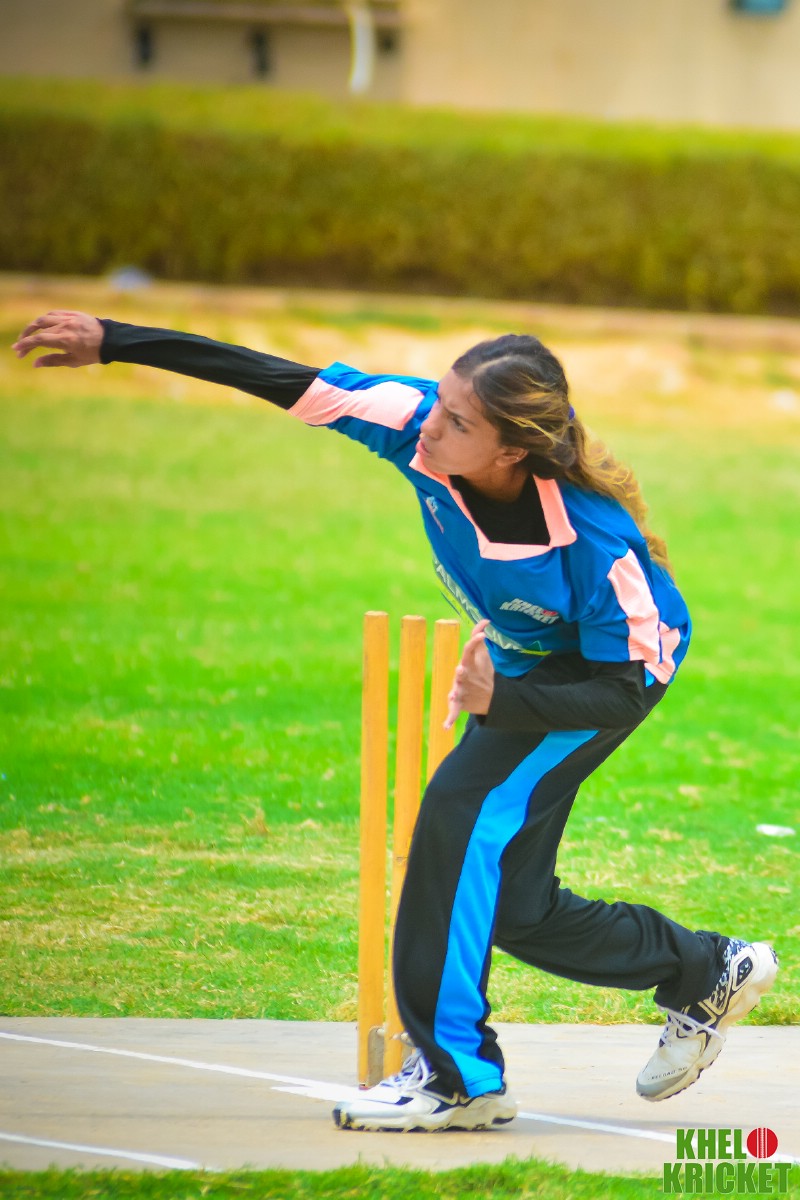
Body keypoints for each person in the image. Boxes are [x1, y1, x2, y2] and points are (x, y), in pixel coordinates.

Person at [13, 309, 778, 1134]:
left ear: (509, 452)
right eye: (439, 402)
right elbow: (280, 378)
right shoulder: (414, 425)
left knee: (456, 815)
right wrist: (115, 340)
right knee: (510, 907)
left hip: (611, 675)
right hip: (521, 668)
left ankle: (457, 1076)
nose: (431, 427)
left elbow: (621, 692)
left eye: (458, 422)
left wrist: (503, 703)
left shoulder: (594, 543)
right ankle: (706, 968)